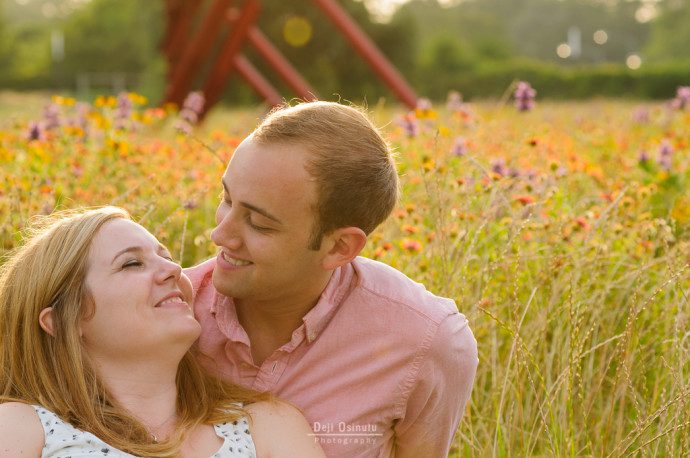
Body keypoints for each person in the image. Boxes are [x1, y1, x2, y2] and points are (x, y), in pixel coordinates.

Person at [185, 101, 479, 457]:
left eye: (259, 224)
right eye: (226, 199)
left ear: (340, 247)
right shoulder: (169, 312)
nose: (220, 234)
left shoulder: (427, 343)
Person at [0, 206, 325, 458]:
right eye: (131, 264)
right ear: (64, 320)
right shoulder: (24, 428)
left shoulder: (265, 425)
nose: (173, 270)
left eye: (167, 258)